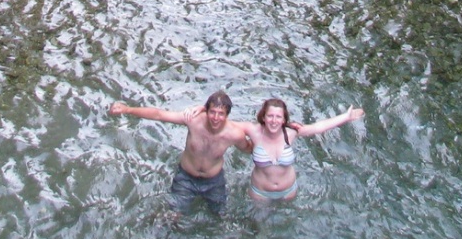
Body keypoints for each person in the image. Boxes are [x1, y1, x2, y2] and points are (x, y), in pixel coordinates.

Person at [109, 89, 253, 215]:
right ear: (206, 111)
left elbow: (250, 148)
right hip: (186, 178)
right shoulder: (193, 120)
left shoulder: (234, 134)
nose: (216, 118)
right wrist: (127, 110)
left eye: (220, 114)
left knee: (222, 216)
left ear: (227, 115)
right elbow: (159, 114)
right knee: (171, 216)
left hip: (214, 181)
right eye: (212, 112)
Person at [248, 97, 364, 204]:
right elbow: (231, 126)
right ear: (263, 117)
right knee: (259, 225)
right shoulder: (254, 132)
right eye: (270, 116)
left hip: (288, 192)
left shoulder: (291, 132)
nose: (274, 121)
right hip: (260, 193)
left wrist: (346, 117)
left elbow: (318, 127)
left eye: (278, 117)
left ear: (284, 119)